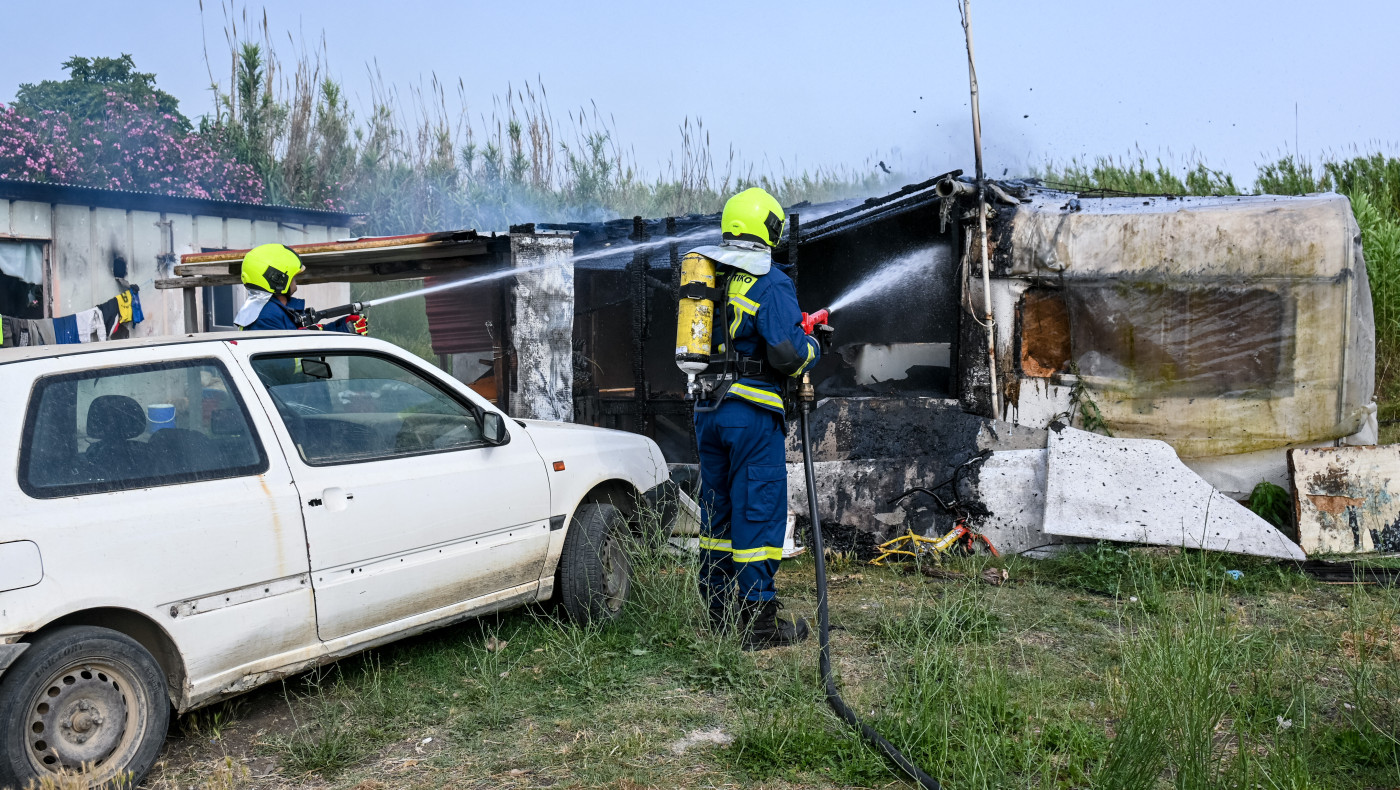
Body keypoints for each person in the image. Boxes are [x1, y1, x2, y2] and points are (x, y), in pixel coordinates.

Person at [690, 187, 828, 650]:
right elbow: (788, 355)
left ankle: (718, 612)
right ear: (768, 228)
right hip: (749, 415)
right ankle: (757, 623)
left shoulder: (710, 275)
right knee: (758, 512)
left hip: (708, 411)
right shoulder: (769, 280)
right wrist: (814, 346)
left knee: (719, 513)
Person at [233, 243, 368, 334]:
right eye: (293, 276)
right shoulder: (266, 317)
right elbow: (285, 361)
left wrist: (344, 328)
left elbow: (296, 340)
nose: (295, 280)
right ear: (277, 279)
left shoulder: (273, 311)